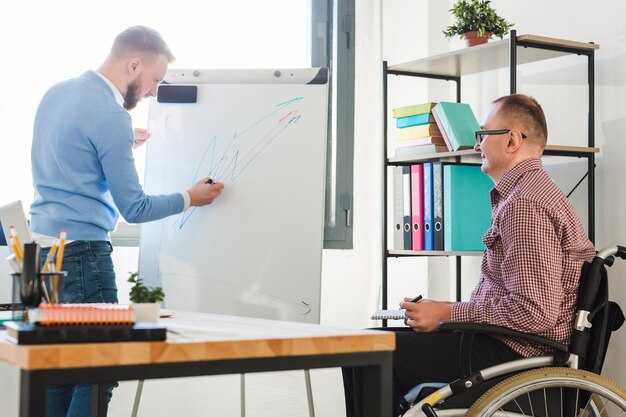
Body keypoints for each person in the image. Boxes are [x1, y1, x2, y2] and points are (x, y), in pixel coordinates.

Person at [342, 94, 596, 417]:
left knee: (366, 352)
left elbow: (535, 312)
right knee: (361, 345)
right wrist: (443, 314)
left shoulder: (525, 205)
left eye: (482, 135)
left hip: (516, 356)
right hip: (507, 346)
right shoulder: (531, 194)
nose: (477, 146)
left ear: (512, 141)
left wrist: (448, 313)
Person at [30, 26, 224, 417]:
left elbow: (72, 153)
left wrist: (120, 141)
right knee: (100, 367)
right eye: (154, 79)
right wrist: (190, 196)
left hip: (43, 251)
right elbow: (134, 209)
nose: (154, 91)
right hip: (82, 255)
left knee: (61, 367)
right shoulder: (109, 116)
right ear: (133, 64)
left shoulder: (58, 92)